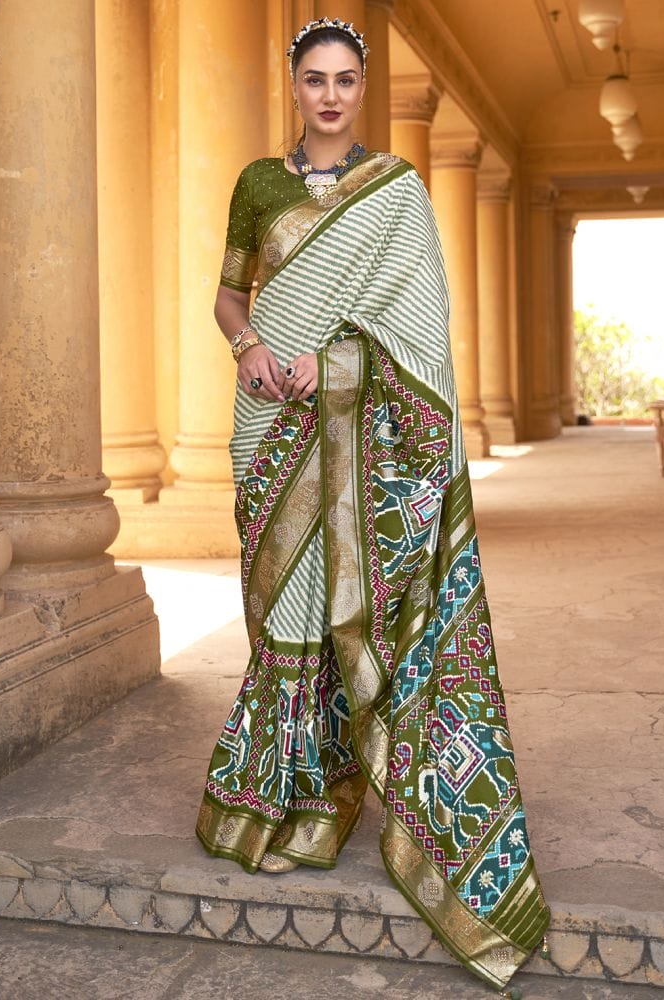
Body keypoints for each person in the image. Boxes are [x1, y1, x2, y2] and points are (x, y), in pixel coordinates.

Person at [195, 16, 551, 998]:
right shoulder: (256, 186)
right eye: (314, 79)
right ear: (292, 83)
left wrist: (335, 363)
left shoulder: (397, 192)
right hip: (266, 422)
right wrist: (250, 348)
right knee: (276, 611)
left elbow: (419, 323)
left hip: (350, 417)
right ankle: (269, 793)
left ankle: (330, 796)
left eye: (347, 80)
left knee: (332, 604)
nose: (330, 96)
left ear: (362, 87)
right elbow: (230, 295)